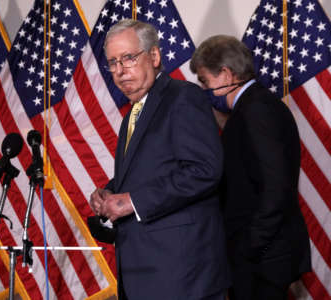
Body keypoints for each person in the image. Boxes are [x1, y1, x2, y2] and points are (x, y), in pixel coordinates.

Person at [89, 20, 230, 300]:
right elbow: (151, 170)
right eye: (113, 62)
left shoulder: (182, 97)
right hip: (145, 272)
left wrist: (132, 201)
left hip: (182, 274)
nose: (119, 71)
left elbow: (205, 169)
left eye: (128, 58)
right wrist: (110, 191)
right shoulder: (133, 113)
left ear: (154, 57)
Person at [189, 35, 311, 300]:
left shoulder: (256, 110)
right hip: (262, 255)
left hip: (263, 258)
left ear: (225, 74)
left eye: (204, 80)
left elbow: (276, 186)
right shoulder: (253, 106)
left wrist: (249, 247)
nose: (203, 88)